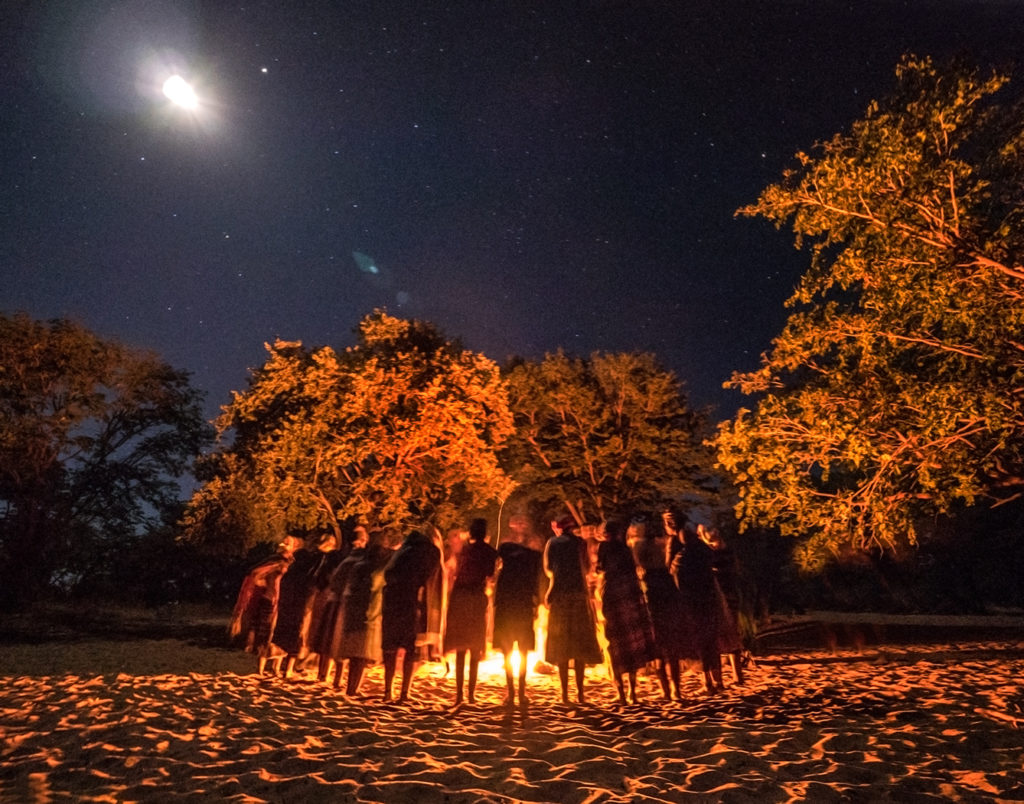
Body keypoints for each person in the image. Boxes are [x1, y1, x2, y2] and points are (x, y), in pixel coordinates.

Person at [596, 519, 657, 704]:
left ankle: (621, 694)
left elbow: (601, 567)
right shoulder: (625, 549)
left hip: (613, 596)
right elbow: (633, 569)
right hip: (630, 595)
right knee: (632, 643)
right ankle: (632, 692)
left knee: (614, 643)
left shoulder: (604, 547)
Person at [543, 514, 602, 704]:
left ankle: (565, 694)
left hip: (560, 595)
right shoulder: (581, 543)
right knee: (580, 644)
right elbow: (586, 567)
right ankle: (581, 693)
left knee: (562, 646)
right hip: (579, 594)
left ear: (559, 528)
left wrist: (552, 588)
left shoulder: (553, 542)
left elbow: (549, 569)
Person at [380, 528, 442, 703]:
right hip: (410, 602)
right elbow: (427, 578)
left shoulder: (402, 550)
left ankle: (387, 691)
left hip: (391, 601)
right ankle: (404, 692)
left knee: (390, 648)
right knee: (410, 648)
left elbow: (388, 573)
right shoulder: (428, 551)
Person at [629, 516, 686, 700]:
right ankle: (675, 689)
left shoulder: (640, 547)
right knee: (671, 648)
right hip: (666, 590)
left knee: (660, 648)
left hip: (652, 593)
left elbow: (638, 565)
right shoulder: (664, 543)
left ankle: (667, 691)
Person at [443, 518, 498, 705]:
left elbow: (456, 570)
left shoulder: (464, 551)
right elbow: (490, 575)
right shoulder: (490, 552)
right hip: (476, 597)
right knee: (474, 646)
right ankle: (471, 694)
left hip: (460, 597)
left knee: (461, 648)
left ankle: (459, 694)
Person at [229, 535, 300, 675]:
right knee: (267, 633)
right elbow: (255, 573)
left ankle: (276, 668)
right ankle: (260, 669)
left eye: (288, 543)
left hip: (284, 603)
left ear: (294, 547)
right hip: (270, 601)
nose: (284, 544)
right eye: (283, 542)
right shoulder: (275, 560)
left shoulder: (292, 562)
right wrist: (264, 584)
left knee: (279, 634)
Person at [492, 520, 544, 708]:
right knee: (522, 653)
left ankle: (512, 692)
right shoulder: (529, 565)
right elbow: (535, 589)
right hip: (522, 610)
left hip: (506, 612)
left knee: (507, 653)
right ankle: (520, 693)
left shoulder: (506, 566)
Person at [671, 522, 725, 694]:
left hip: (693, 605)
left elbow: (675, 577)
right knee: (711, 642)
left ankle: (707, 682)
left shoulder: (682, 557)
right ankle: (719, 681)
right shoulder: (704, 552)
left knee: (700, 644)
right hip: (709, 601)